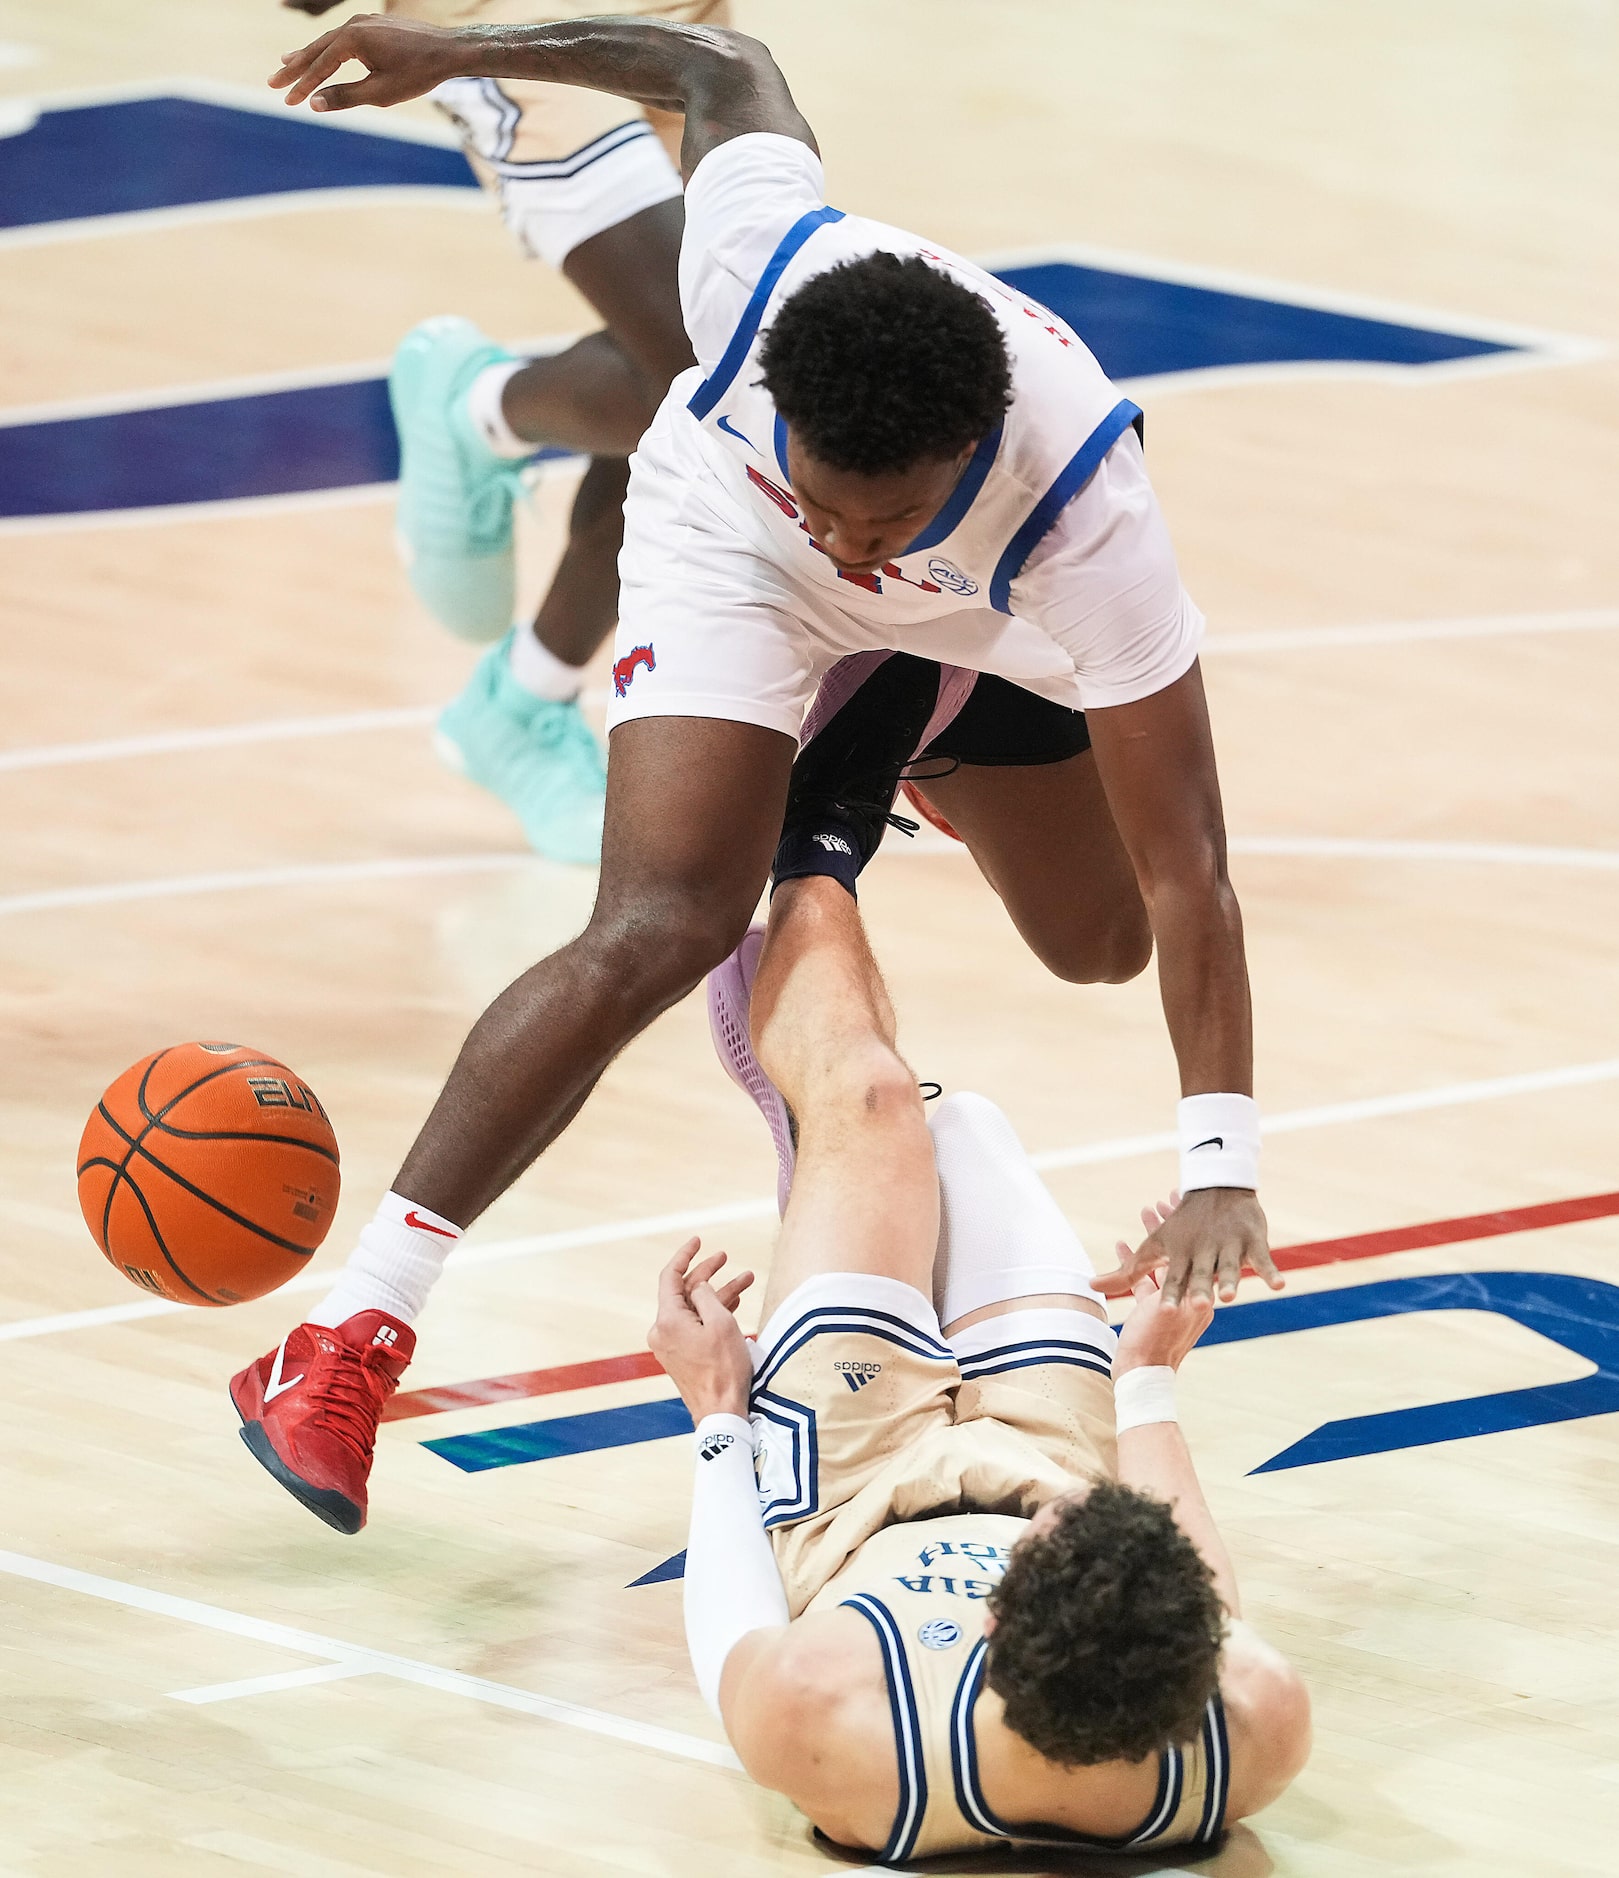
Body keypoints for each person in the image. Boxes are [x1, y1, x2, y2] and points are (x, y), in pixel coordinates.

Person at [229, 16, 1284, 1537]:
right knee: (657, 919)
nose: (852, 533)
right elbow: (718, 72)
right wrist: (457, 44)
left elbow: (1192, 870)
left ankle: (887, 720)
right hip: (729, 560)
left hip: (984, 623)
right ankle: (346, 1341)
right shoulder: (750, 267)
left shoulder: (1082, 509)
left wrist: (1217, 1165)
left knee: (1098, 938)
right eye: (828, 492)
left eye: (889, 512)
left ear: (973, 447)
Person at [644, 872, 1310, 1859]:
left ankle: (821, 816)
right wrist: (1146, 1373)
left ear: (992, 1621)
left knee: (871, 1100)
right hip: (1052, 1442)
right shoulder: (1252, 1723)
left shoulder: (833, 1722)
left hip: (851, 1500)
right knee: (966, 1131)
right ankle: (839, 1191)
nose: (1050, 1509)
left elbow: (729, 1631)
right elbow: (1200, 1592)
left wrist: (715, 1412)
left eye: (1044, 1532)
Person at [282, 0, 729, 863]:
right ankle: (480, 406)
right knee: (715, 370)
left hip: (686, 16)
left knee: (714, 370)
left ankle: (520, 702)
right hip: (510, 15)